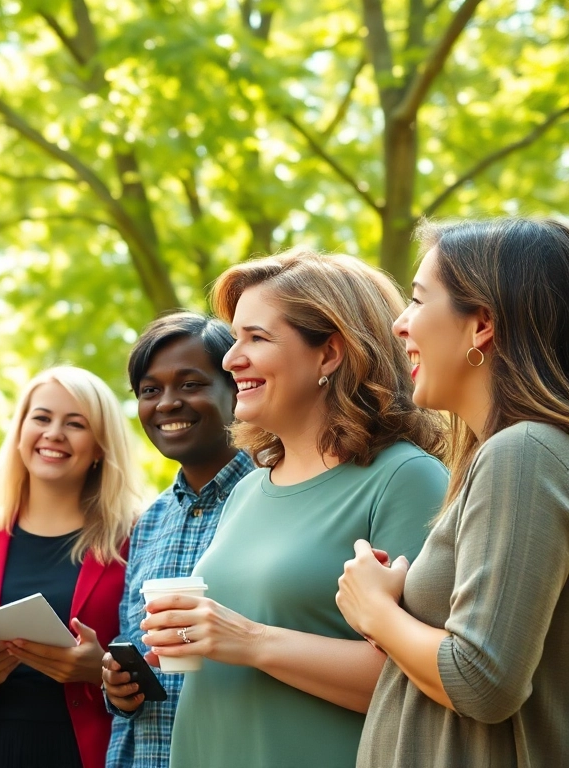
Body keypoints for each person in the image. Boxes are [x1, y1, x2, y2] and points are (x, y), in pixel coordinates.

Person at [142, 249, 450, 768]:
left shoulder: (405, 478)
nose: (230, 358)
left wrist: (249, 640)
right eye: (234, 337)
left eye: (256, 338)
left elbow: (425, 681)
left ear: (329, 355)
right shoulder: (247, 489)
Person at [337, 218, 569, 767]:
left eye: (418, 301)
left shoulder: (524, 452)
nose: (400, 325)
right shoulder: (508, 454)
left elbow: (483, 682)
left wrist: (375, 611)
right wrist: (403, 618)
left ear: (481, 323)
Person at [0, 366, 142, 768]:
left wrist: (99, 669)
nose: (54, 433)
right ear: (20, 431)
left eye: (75, 424)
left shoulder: (135, 540)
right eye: (42, 418)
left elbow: (160, 668)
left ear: (100, 446)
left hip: (92, 753)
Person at [101, 312, 253, 768]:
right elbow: (141, 657)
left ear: (237, 390)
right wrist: (119, 688)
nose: (167, 403)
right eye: (151, 390)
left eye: (191, 384)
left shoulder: (278, 497)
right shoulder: (149, 522)